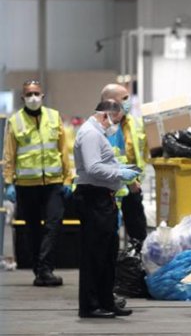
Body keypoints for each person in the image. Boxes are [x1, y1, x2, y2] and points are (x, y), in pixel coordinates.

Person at [2, 80, 72, 286]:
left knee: (54, 224)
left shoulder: (54, 116)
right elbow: (9, 154)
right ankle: (41, 271)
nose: (33, 97)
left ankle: (44, 268)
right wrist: (8, 183)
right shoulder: (15, 121)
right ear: (22, 98)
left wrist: (67, 179)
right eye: (29, 94)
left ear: (42, 96)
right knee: (32, 230)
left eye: (36, 93)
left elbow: (64, 150)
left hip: (53, 183)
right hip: (26, 185)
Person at [74, 100, 140, 318]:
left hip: (103, 198)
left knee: (107, 252)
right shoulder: (91, 134)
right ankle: (91, 305)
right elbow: (93, 168)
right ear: (105, 116)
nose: (116, 125)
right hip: (94, 199)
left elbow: (100, 163)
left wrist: (120, 168)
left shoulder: (96, 133)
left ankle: (106, 300)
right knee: (95, 254)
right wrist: (119, 174)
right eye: (116, 120)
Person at [100, 84, 148, 246]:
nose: (129, 101)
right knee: (109, 236)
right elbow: (113, 158)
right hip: (110, 189)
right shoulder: (102, 126)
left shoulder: (135, 123)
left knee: (138, 233)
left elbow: (144, 150)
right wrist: (130, 181)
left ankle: (135, 267)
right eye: (125, 98)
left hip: (132, 186)